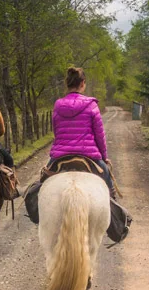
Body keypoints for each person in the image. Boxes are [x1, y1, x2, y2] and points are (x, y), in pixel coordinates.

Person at [49, 67, 115, 197]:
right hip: (88, 154)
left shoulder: (58, 105)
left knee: (42, 181)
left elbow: (56, 132)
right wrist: (104, 156)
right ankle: (113, 199)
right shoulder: (91, 105)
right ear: (83, 83)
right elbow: (100, 135)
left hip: (60, 155)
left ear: (67, 84)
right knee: (107, 178)